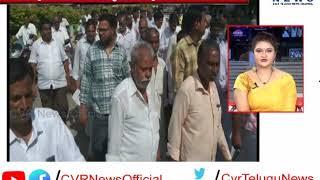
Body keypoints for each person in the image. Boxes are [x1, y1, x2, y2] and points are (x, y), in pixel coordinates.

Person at [167, 39, 231, 161]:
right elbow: (174, 129)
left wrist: (228, 156)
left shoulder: (214, 88)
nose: (215, 69)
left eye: (217, 64)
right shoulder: (187, 90)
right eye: (210, 64)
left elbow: (217, 126)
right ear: (199, 62)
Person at [9, 60, 85, 161]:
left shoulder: (52, 121)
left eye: (27, 96)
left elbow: (76, 161)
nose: (24, 105)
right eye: (16, 99)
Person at [80, 14, 130, 161]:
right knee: (99, 152)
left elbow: (126, 81)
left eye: (104, 29)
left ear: (114, 29)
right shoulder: (92, 51)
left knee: (117, 152)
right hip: (99, 114)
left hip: (118, 114)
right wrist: (83, 108)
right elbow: (86, 80)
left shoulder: (121, 52)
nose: (100, 33)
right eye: (99, 30)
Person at [107, 42, 160, 161]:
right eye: (143, 69)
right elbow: (113, 147)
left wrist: (156, 151)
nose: (148, 74)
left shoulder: (151, 89)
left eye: (150, 69)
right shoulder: (121, 96)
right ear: (132, 66)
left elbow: (154, 125)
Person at [233, 31, 297, 112]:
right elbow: (244, 116)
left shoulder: (287, 79)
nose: (264, 55)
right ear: (253, 54)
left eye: (269, 51)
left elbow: (289, 112)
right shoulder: (243, 79)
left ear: (275, 54)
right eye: (259, 51)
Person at [28, 19, 71, 123]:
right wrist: (33, 84)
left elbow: (65, 60)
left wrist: (68, 77)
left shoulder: (58, 42)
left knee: (63, 108)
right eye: (44, 29)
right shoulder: (36, 45)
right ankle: (52, 133)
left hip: (60, 83)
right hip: (44, 85)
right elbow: (33, 65)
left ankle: (62, 130)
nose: (47, 32)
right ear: (40, 31)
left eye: (49, 29)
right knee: (48, 112)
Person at [171, 7, 208, 93]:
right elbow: (178, 87)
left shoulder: (202, 45)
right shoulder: (180, 49)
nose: (206, 24)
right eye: (204, 21)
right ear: (197, 24)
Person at [145, 27, 166, 160]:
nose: (154, 45)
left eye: (156, 41)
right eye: (151, 42)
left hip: (160, 119)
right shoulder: (139, 67)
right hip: (145, 120)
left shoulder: (163, 65)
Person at [72, 19, 98, 92]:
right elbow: (76, 66)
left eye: (93, 31)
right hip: (84, 83)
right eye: (89, 31)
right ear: (85, 32)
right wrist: (77, 87)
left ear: (95, 31)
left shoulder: (99, 43)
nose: (91, 33)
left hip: (98, 83)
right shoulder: (80, 44)